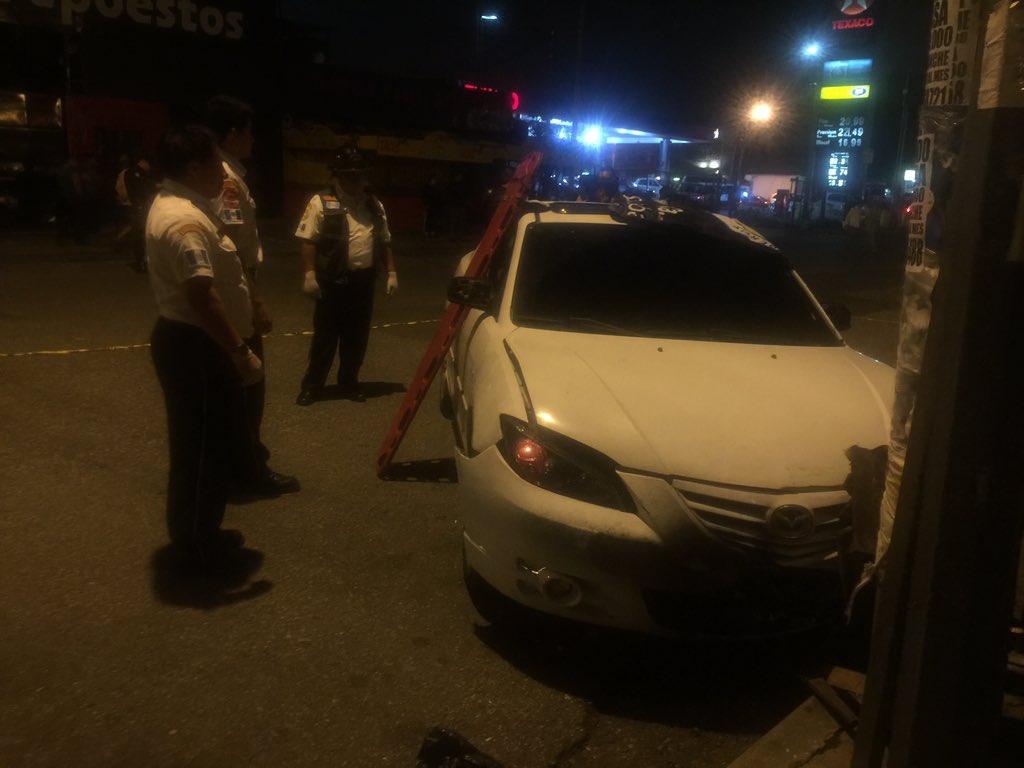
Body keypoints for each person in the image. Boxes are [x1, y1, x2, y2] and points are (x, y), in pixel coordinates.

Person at [146, 125, 261, 569]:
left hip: (192, 340)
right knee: (202, 449)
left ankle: (200, 533)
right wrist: (239, 351)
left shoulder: (183, 203)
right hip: (198, 344)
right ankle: (194, 549)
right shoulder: (184, 221)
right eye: (216, 162)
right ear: (195, 167)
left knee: (206, 443)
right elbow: (202, 296)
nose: (223, 171)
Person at [205, 94, 299, 497]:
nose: (255, 140)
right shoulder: (226, 179)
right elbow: (231, 244)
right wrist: (256, 300)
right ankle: (247, 471)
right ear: (233, 134)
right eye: (249, 132)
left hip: (230, 286)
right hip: (234, 290)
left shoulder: (221, 171)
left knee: (237, 387)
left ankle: (239, 463)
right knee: (249, 383)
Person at [295, 144, 398, 405]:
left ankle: (349, 382)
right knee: (325, 336)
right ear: (338, 176)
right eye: (350, 175)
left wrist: (391, 272)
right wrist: (309, 274)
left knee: (357, 336)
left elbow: (384, 240)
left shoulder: (374, 205)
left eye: (360, 175)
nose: (357, 180)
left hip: (362, 282)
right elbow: (308, 240)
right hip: (332, 281)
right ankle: (313, 385)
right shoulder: (321, 202)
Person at [124, 154, 156, 273]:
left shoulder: (138, 173)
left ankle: (142, 260)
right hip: (139, 206)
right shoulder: (134, 173)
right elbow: (140, 191)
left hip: (140, 206)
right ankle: (141, 260)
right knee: (140, 235)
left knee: (141, 234)